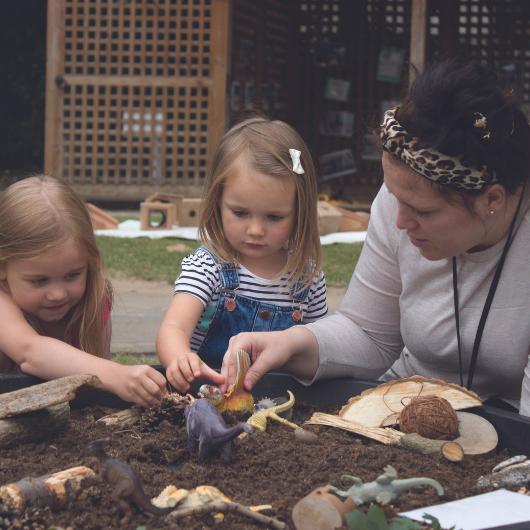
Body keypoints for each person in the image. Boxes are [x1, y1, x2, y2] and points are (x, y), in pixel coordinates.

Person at [220, 59, 530, 416]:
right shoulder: (400, 203)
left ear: (492, 199)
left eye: (423, 212)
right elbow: (369, 334)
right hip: (399, 408)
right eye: (394, 198)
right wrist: (290, 343)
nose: (399, 221)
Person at [157, 117, 328, 392]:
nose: (256, 230)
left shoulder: (306, 279)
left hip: (278, 405)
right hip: (207, 397)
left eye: (274, 217)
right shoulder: (209, 266)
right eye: (240, 213)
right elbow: (173, 328)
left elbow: (319, 348)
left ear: (300, 213)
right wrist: (179, 358)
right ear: (217, 203)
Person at [0, 176, 167, 407]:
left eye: (72, 275)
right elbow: (30, 351)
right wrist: (116, 375)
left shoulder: (95, 299)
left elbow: (97, 382)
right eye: (39, 281)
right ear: (3, 268)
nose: (57, 294)